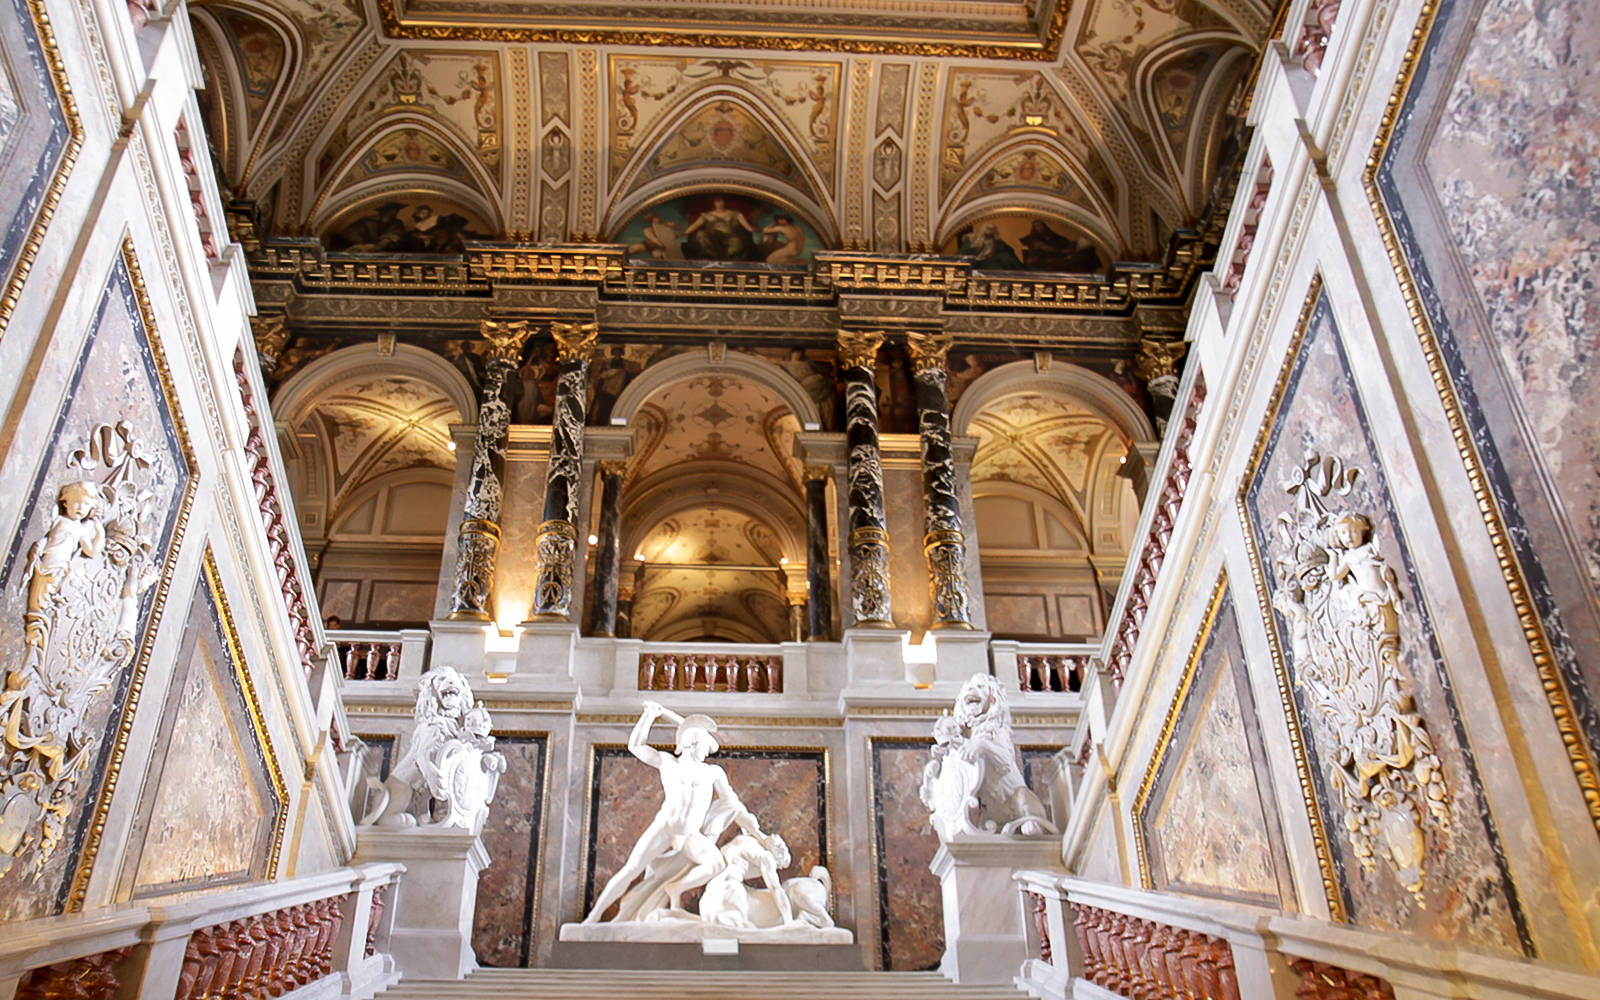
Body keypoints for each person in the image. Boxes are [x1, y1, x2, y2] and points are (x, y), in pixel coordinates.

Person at [582, 701, 768, 922]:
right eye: (703, 746)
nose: (707, 751)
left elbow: (733, 804)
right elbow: (636, 746)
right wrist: (649, 715)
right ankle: (592, 919)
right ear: (691, 743)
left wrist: (759, 835)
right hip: (664, 827)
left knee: (716, 864)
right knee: (631, 869)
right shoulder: (667, 762)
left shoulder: (712, 772)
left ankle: (675, 888)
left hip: (689, 835)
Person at [682, 196, 758, 260]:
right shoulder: (706, 215)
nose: (721, 203)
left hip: (730, 236)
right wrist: (683, 233)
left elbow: (747, 227)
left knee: (737, 242)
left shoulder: (736, 213)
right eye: (718, 201)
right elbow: (695, 225)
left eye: (722, 201)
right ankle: (710, 257)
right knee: (701, 234)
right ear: (714, 203)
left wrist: (753, 228)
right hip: (713, 238)